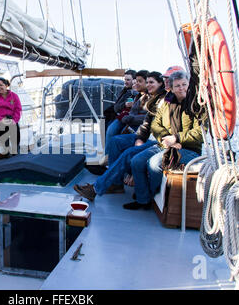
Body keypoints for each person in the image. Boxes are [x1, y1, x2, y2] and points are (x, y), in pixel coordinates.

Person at [74, 71, 167, 201]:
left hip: (157, 140)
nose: (148, 85)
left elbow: (155, 125)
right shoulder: (150, 98)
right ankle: (116, 184)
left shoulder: (163, 100)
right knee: (115, 141)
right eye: (148, 82)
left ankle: (96, 188)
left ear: (161, 83)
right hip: (146, 136)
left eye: (151, 82)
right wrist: (139, 138)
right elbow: (147, 122)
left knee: (128, 153)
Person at [124, 70, 202, 210]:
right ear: (171, 88)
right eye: (177, 86)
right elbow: (155, 125)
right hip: (165, 143)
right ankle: (143, 200)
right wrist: (166, 138)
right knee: (136, 161)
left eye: (184, 84)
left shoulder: (195, 105)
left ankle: (149, 195)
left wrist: (176, 138)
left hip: (188, 149)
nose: (181, 88)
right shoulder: (166, 103)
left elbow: (199, 133)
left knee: (155, 164)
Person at [105, 69, 139, 146]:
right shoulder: (125, 91)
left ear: (134, 80)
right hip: (122, 115)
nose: (125, 82)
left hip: (131, 117)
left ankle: (108, 154)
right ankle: (107, 154)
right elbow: (117, 107)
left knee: (111, 131)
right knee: (110, 130)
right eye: (125, 79)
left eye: (128, 80)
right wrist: (125, 105)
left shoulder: (139, 91)